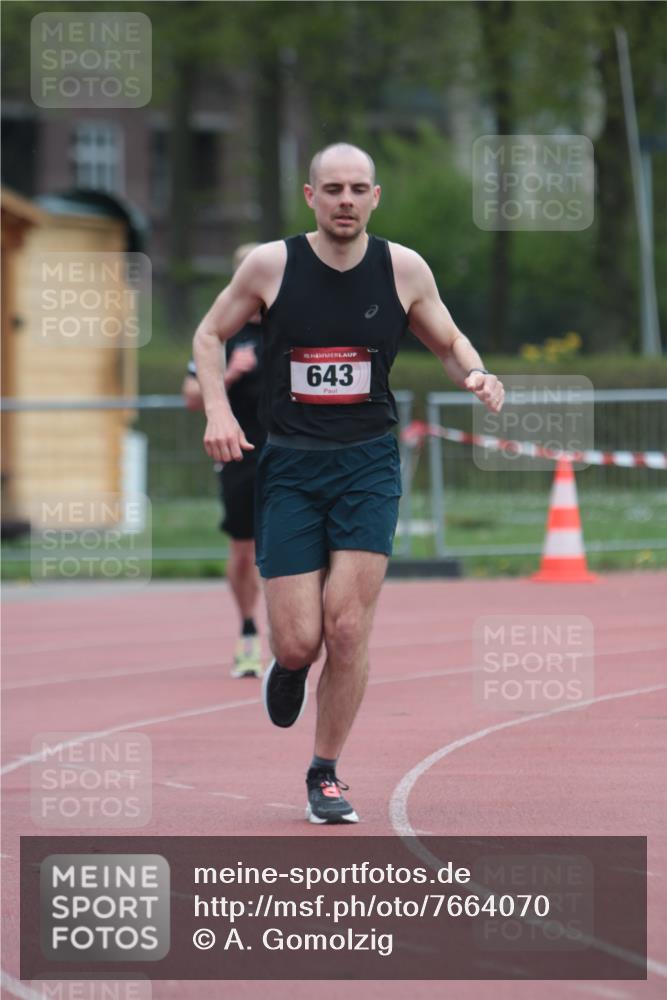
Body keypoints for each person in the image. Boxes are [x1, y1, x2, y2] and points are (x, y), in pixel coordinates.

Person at [193, 143, 504, 824]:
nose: (345, 200)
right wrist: (218, 410)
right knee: (299, 640)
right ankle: (288, 666)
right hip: (290, 467)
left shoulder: (403, 268)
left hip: (366, 465)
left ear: (374, 196)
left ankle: (325, 773)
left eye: (357, 189)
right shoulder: (271, 265)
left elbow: (449, 342)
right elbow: (209, 335)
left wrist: (477, 373)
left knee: (347, 625)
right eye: (332, 189)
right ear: (310, 196)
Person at [183, 243, 265, 679]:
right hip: (239, 455)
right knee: (243, 550)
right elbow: (190, 396)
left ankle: (298, 633)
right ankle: (249, 630)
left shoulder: (290, 324)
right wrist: (231, 372)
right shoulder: (221, 331)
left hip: (293, 453)